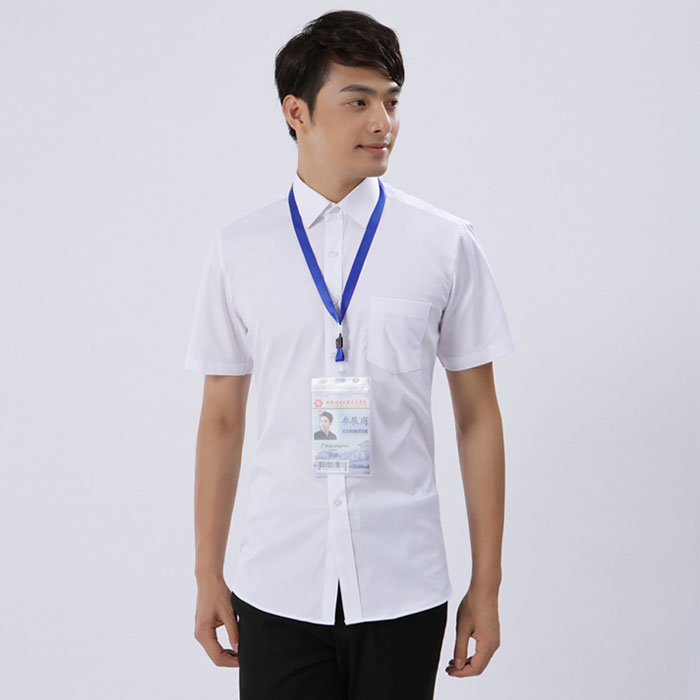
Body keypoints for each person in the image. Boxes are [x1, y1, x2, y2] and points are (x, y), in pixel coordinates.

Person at [185, 9, 516, 700]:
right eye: (358, 101)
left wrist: (485, 585)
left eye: (391, 101)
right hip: (278, 583)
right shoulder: (238, 250)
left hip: (404, 584)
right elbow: (221, 417)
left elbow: (478, 417)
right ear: (296, 112)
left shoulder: (445, 244)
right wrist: (207, 573)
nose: (382, 122)